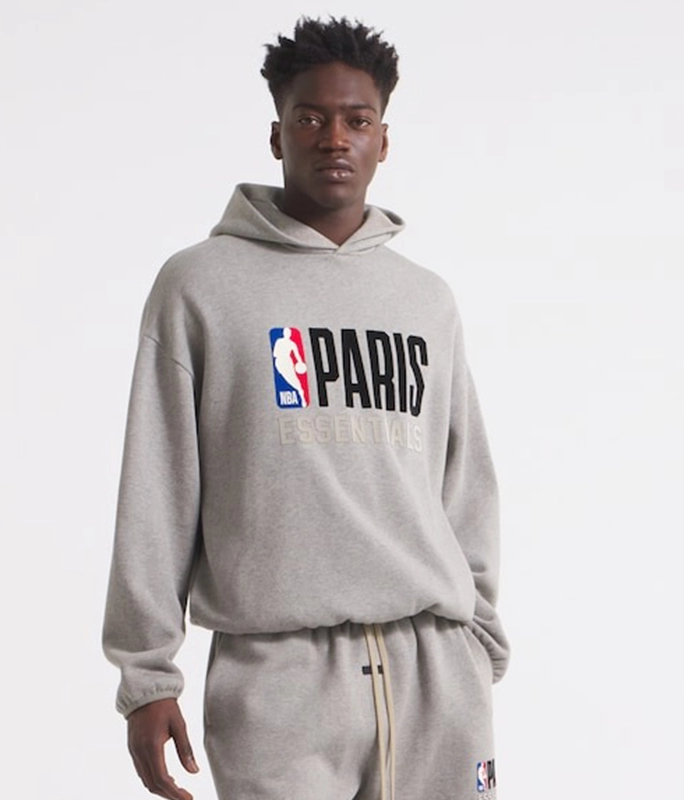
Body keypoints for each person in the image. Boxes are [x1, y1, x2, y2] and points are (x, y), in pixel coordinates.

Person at [103, 16, 510, 800]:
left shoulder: (425, 301)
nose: (335, 139)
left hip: (435, 674)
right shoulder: (200, 286)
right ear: (276, 134)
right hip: (276, 679)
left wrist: (478, 640)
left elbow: (466, 484)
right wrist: (147, 676)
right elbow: (157, 486)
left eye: (357, 120)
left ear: (383, 140)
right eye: (311, 118)